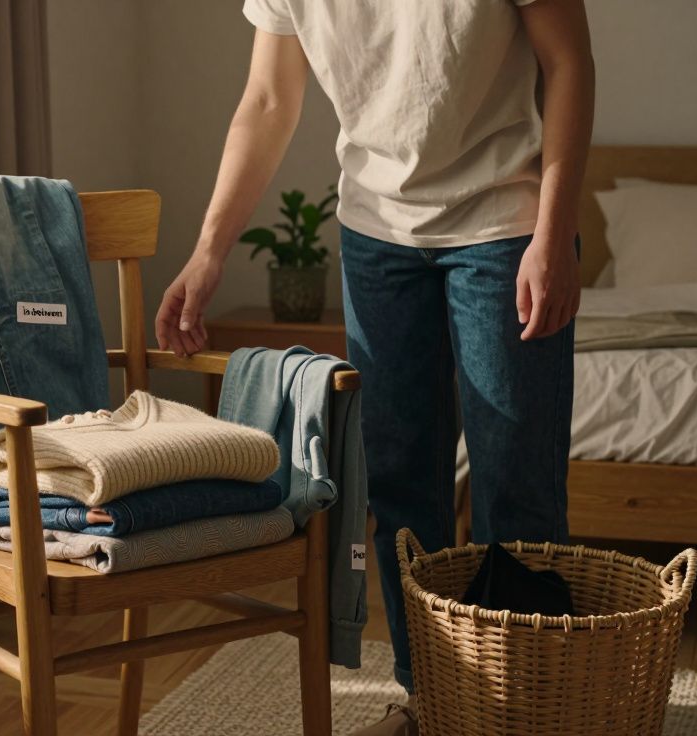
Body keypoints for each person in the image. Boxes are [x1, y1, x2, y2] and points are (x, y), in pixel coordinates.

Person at [154, 1, 594, 733]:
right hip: (376, 237)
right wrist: (208, 251)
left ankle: (522, 714)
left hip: (506, 226)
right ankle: (429, 702)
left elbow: (569, 62)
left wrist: (554, 233)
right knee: (399, 488)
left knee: (517, 494)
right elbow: (267, 100)